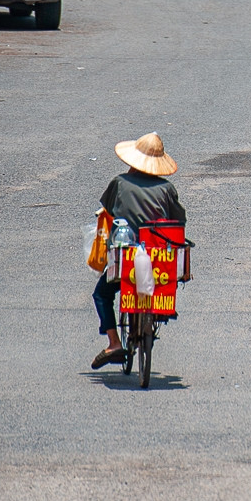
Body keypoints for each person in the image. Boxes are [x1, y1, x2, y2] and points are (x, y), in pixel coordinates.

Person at [91, 132, 185, 369]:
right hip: (159, 258)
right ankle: (153, 316)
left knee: (102, 294)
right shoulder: (167, 188)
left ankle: (114, 342)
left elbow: (108, 211)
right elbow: (179, 221)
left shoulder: (120, 182)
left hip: (126, 256)